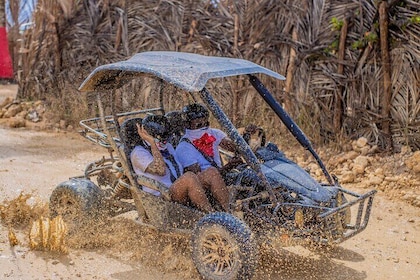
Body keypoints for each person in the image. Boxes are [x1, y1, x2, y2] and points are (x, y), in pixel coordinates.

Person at [130, 115, 229, 212]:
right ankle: (210, 214)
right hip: (163, 195)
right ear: (147, 136)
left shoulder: (167, 146)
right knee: (189, 178)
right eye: (161, 139)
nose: (165, 142)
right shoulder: (139, 153)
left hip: (178, 188)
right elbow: (160, 170)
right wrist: (152, 143)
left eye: (166, 138)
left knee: (211, 172)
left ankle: (228, 211)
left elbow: (179, 168)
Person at [175, 103, 240, 175]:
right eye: (198, 124)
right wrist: (228, 167)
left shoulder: (214, 133)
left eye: (206, 123)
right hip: (209, 183)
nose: (203, 126)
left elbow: (235, 147)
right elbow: (200, 179)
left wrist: (245, 136)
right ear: (187, 124)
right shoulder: (183, 148)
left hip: (223, 174)